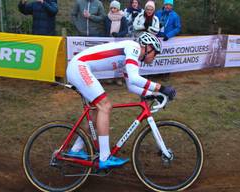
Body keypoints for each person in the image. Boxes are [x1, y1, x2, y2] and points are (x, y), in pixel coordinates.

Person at [66, 32, 176, 169]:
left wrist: (153, 94)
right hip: (79, 67)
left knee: (96, 113)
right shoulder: (133, 48)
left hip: (78, 67)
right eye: (156, 53)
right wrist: (162, 88)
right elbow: (135, 79)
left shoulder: (130, 57)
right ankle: (104, 157)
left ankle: (75, 150)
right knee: (105, 106)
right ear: (148, 47)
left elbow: (131, 85)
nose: (155, 57)